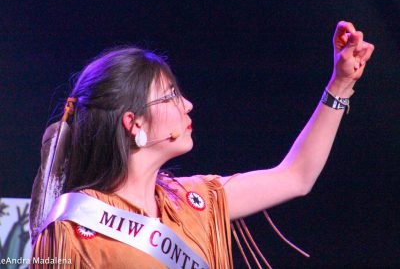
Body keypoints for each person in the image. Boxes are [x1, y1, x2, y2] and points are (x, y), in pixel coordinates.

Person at [29, 21, 374, 268]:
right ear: (134, 123)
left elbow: (297, 176)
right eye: (171, 96)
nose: (188, 105)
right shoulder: (72, 231)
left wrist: (340, 85)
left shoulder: (196, 202)